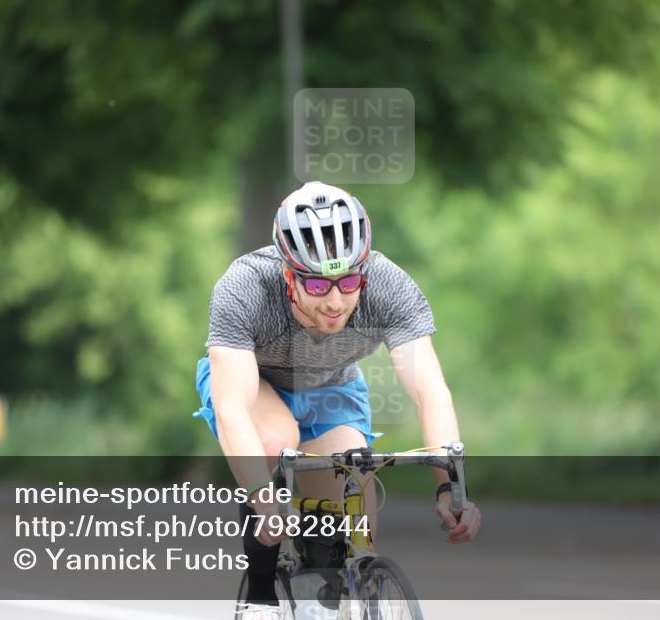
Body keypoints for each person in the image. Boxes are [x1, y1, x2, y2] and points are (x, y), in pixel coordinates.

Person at [192, 181, 482, 619]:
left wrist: (450, 487)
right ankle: (260, 594)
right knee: (276, 441)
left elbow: (429, 390)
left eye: (348, 282)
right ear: (289, 274)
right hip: (253, 382)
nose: (334, 301)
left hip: (332, 387)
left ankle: (322, 598)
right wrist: (262, 499)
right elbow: (233, 407)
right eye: (316, 286)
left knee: (347, 482)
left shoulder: (388, 285)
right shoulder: (244, 286)